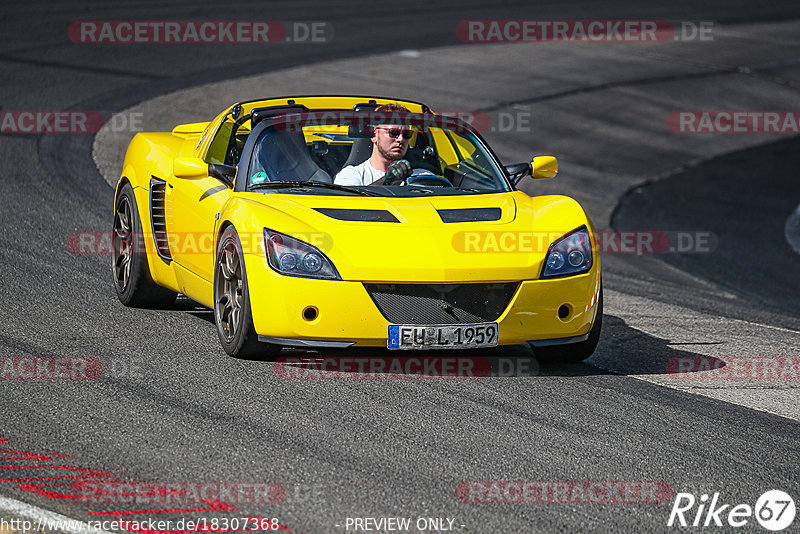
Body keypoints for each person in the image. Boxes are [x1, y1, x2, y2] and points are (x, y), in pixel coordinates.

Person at [334, 103, 415, 186]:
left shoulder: (420, 175)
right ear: (374, 135)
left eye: (406, 134)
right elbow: (351, 198)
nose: (401, 139)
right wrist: (386, 180)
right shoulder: (351, 175)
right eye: (393, 133)